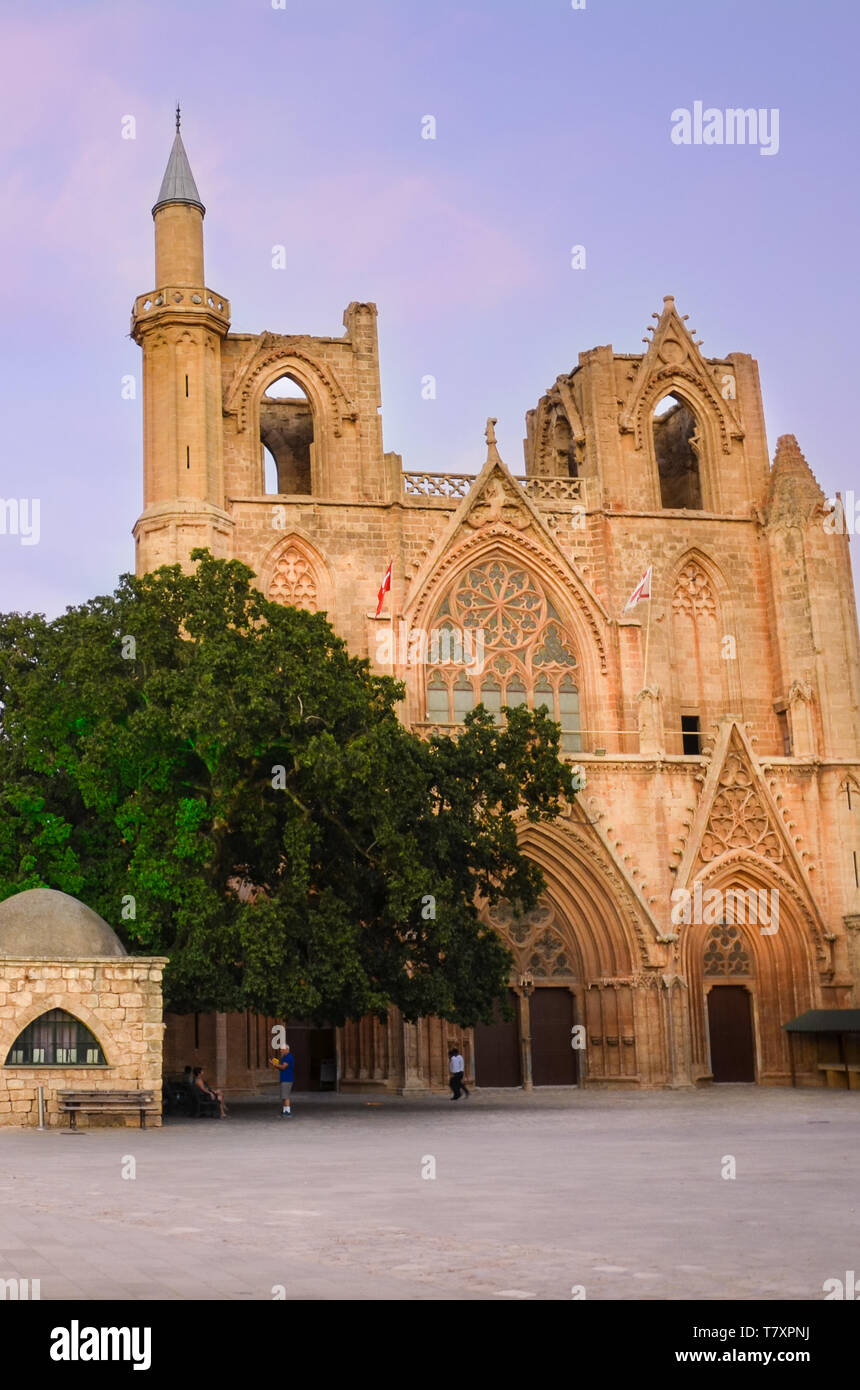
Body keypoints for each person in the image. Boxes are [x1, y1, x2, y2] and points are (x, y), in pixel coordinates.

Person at [270, 1045, 294, 1116]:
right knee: (283, 1096)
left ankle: (288, 1112)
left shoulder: (288, 1057)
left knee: (286, 1096)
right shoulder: (284, 1057)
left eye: (282, 1049)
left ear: (287, 1049)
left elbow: (283, 1067)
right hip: (284, 1079)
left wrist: (275, 1064)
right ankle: (284, 1111)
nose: (281, 1051)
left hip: (287, 1079)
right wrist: (276, 1065)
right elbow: (281, 1067)